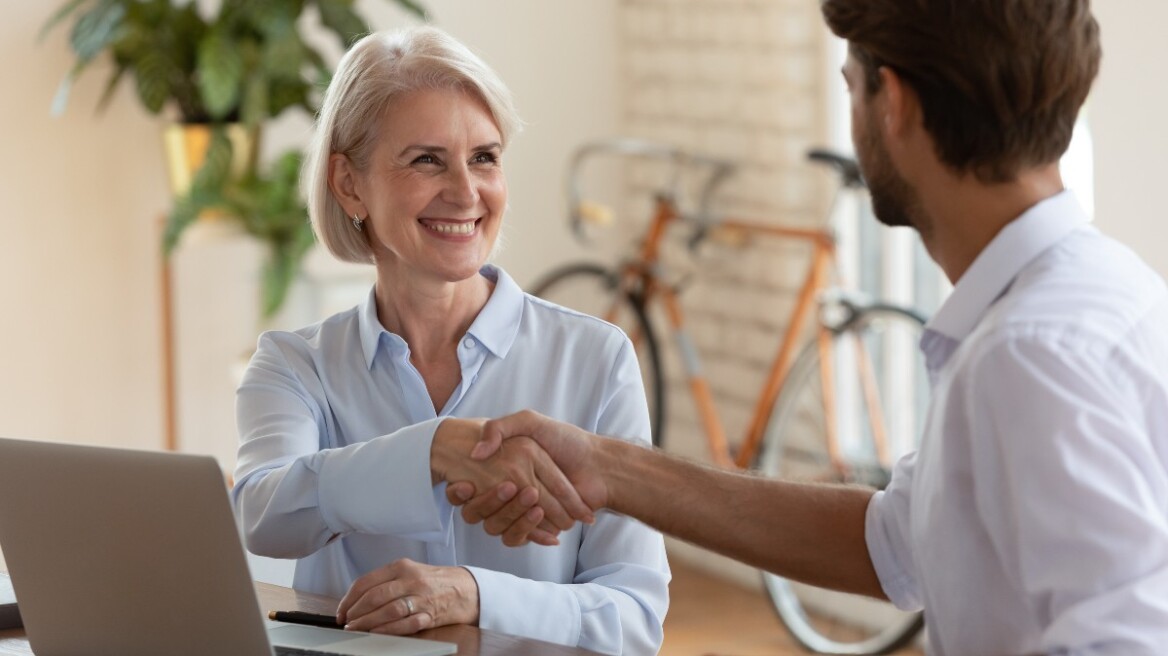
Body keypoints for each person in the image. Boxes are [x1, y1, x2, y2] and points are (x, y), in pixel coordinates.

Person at [448, 1, 1168, 654]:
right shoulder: (1105, 288)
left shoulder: (1027, 354)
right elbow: (896, 543)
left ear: (899, 106)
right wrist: (610, 469)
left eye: (852, 85)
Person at [230, 26, 668, 655]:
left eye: (484, 157)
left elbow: (633, 619)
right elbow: (266, 514)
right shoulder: (297, 366)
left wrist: (474, 594)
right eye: (426, 159)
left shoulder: (594, 359)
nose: (466, 192)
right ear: (350, 184)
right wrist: (434, 449)